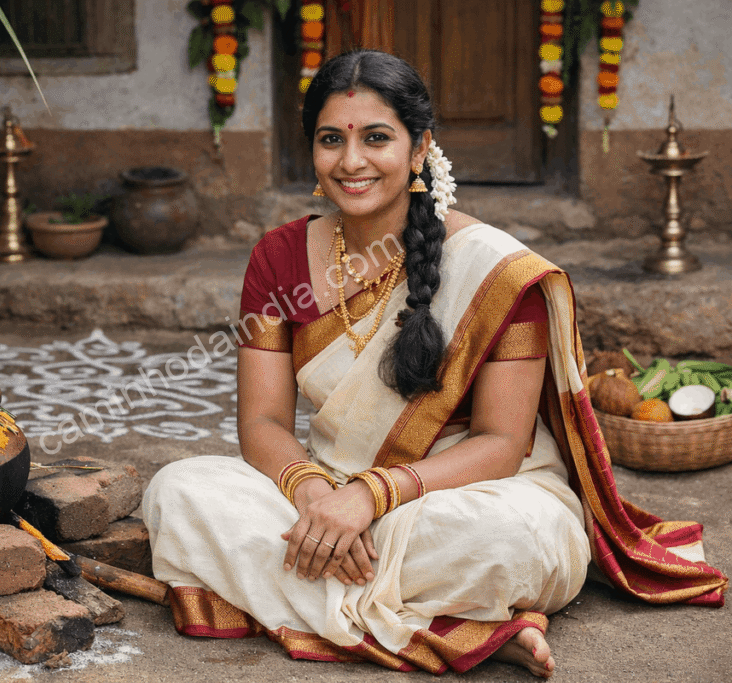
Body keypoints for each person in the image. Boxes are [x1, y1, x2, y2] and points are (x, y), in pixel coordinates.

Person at [142, 50, 726, 678]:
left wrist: (374, 496)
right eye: (330, 139)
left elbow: (501, 445)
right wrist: (318, 497)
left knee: (514, 542)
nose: (351, 161)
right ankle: (458, 629)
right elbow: (261, 423)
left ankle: (330, 598)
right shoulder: (278, 258)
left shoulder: (498, 271)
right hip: (327, 491)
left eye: (376, 138)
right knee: (178, 492)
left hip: (471, 496)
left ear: (420, 149)